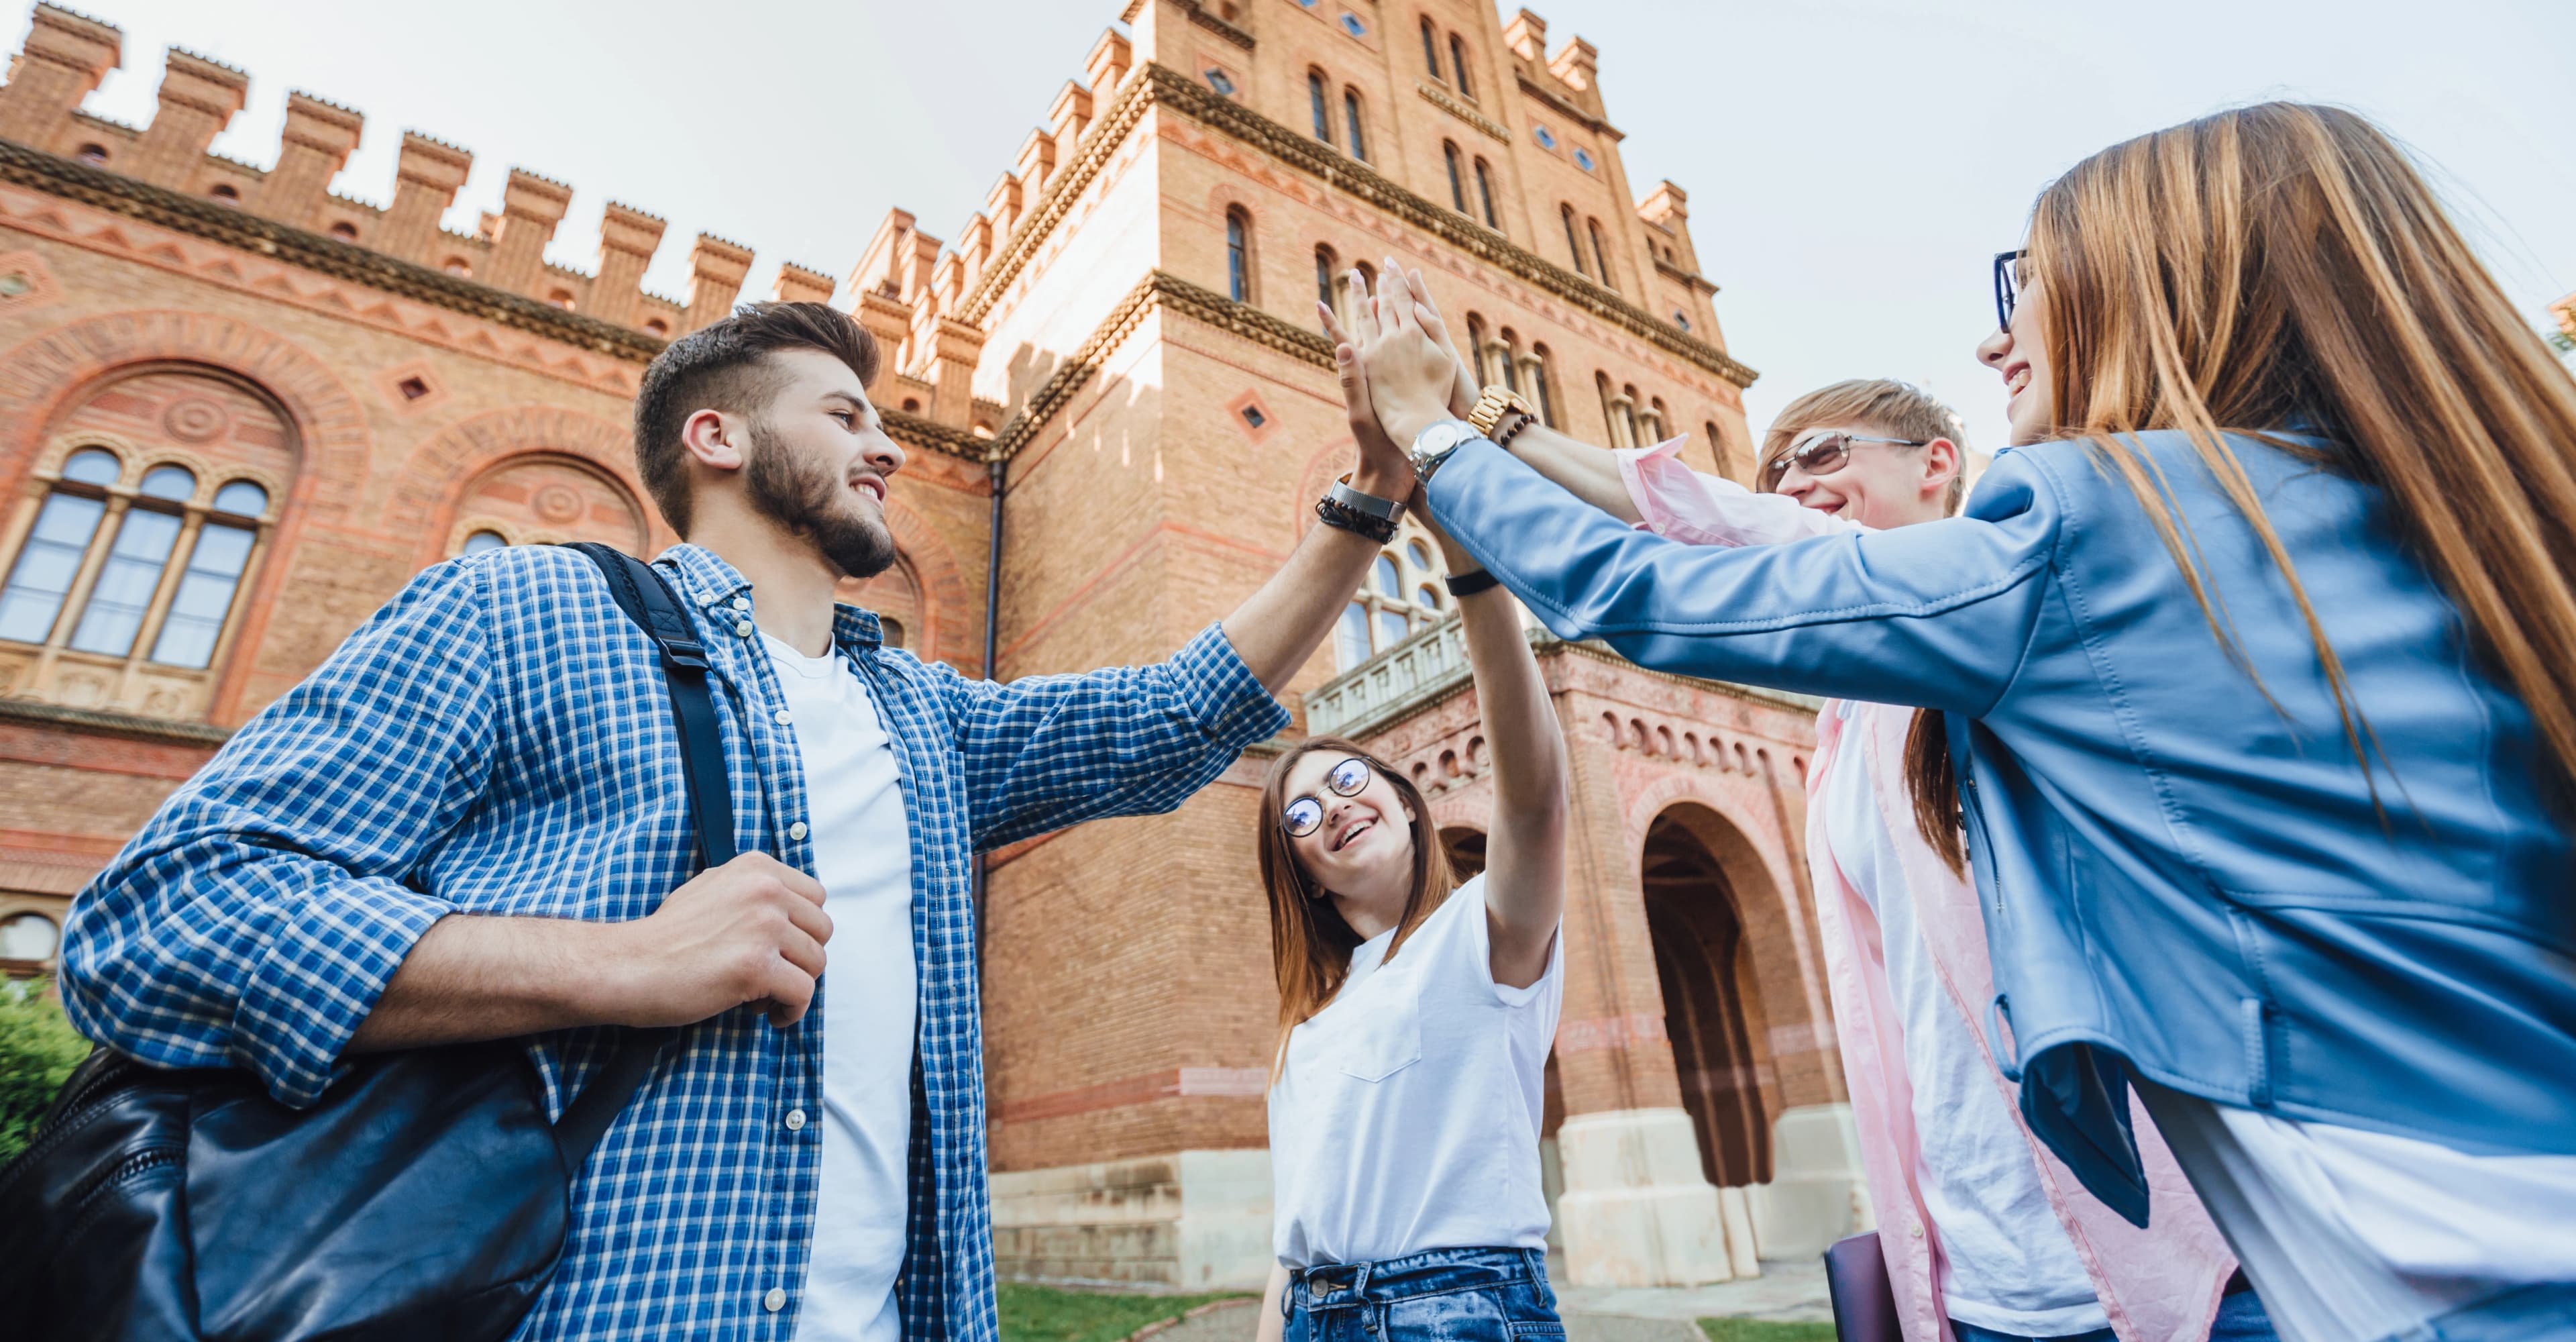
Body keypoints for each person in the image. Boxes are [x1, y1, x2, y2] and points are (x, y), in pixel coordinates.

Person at [1351, 99, 2576, 1342]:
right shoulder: (2440, 520)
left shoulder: (2092, 527)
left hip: (2348, 1292)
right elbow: (1742, 523)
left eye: (2028, 281)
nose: (1997, 342)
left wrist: (1434, 433)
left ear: (2155, 286)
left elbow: (1653, 587)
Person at [58, 301, 1421, 1342]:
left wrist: (1370, 491)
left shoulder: (924, 718)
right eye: (841, 415)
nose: (886, 444)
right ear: (717, 437)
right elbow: (161, 916)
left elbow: (1177, 715)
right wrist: (616, 964)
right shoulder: (525, 611)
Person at [1408, 360, 2269, 1342]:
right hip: (1986, 1285)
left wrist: (1475, 425)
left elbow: (1740, 534)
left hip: (2181, 1264)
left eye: (1821, 455)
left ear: (1938, 464)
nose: (1790, 485)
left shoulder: (2019, 592)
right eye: (1774, 468)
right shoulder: (1843, 725)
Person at [1248, 270, 1568, 1342]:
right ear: (1305, 875)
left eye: (1349, 781)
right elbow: (1289, 1242)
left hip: (1458, 1310)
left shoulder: (1483, 937)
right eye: (1302, 815)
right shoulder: (1309, 1025)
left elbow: (1531, 795)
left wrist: (1466, 554)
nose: (1333, 808)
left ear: (1406, 801)